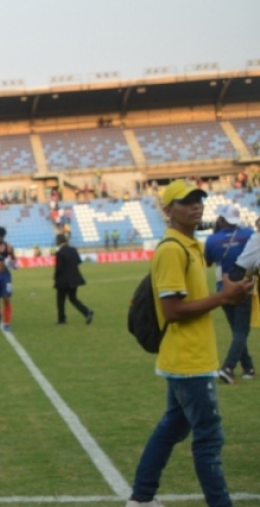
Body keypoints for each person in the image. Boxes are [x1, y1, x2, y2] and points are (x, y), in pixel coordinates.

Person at [127, 181, 252, 507]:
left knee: (172, 427)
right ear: (168, 211)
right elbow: (173, 310)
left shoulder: (190, 246)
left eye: (199, 200)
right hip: (188, 359)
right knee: (209, 439)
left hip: (189, 357)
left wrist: (231, 293)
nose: (196, 205)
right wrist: (224, 296)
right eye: (186, 202)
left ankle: (141, 498)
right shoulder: (172, 250)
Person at [203, 204, 255, 383]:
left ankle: (248, 367)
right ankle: (228, 367)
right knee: (241, 331)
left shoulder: (211, 240)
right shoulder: (248, 234)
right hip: (243, 286)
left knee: (237, 331)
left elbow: (208, 262)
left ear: (221, 219)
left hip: (222, 289)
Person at [53, 233, 93, 325]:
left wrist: (55, 277)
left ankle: (61, 319)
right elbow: (78, 261)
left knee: (60, 300)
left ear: (59, 241)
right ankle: (87, 312)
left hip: (63, 280)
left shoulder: (60, 252)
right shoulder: (73, 250)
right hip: (74, 279)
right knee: (73, 298)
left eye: (56, 240)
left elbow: (59, 268)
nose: (56, 241)